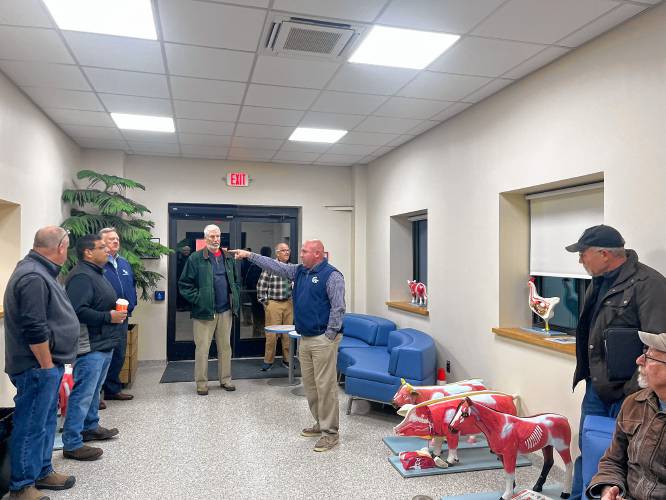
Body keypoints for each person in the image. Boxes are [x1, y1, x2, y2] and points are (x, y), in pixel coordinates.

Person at [565, 225, 666, 498]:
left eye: (583, 253)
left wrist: (633, 391)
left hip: (630, 393)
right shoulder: (598, 282)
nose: (580, 260)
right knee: (589, 450)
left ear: (604, 254)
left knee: (625, 457)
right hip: (597, 389)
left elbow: (657, 344)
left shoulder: (650, 285)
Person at [231, 240, 345, 452]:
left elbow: (338, 308)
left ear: (318, 254)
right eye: (300, 251)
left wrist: (329, 335)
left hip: (323, 340)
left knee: (325, 387)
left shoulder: (332, 276)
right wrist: (249, 256)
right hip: (305, 338)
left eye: (304, 251)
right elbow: (275, 266)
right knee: (311, 385)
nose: (300, 254)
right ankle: (320, 423)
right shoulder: (300, 271)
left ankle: (331, 433)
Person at [3, 226, 79, 499]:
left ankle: (42, 471)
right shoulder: (33, 276)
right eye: (67, 248)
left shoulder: (41, 271)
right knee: (31, 424)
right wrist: (47, 366)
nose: (67, 252)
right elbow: (34, 328)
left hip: (46, 366)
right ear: (60, 247)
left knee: (45, 422)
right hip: (36, 367)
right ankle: (22, 486)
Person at [62, 235, 125, 461]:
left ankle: (90, 426)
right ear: (88, 252)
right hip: (90, 345)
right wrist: (109, 316)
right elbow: (77, 310)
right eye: (101, 247)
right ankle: (72, 442)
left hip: (103, 342)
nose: (107, 250)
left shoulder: (95, 273)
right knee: (83, 392)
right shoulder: (81, 277)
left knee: (94, 389)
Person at [586, 330, 666, 499]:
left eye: (650, 356)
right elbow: (612, 461)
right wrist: (609, 490)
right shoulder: (634, 403)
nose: (639, 360)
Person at [178, 224, 240, 396]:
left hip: (225, 311)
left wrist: (235, 297)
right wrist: (199, 300)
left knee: (225, 347)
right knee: (202, 348)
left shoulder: (227, 257)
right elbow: (184, 285)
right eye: (212, 237)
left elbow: (235, 281)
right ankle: (202, 383)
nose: (215, 240)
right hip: (204, 312)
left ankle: (226, 379)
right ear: (205, 239)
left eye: (218, 236)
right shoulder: (195, 258)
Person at [99, 227, 137, 402]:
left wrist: (132, 303)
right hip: (104, 318)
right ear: (101, 243)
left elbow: (131, 284)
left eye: (117, 239)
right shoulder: (98, 264)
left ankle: (113, 389)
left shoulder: (124, 263)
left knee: (119, 354)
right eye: (111, 239)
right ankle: (96, 396)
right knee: (101, 356)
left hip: (122, 317)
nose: (116, 242)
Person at [256, 242, 293, 371]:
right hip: (274, 303)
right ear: (277, 253)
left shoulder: (292, 268)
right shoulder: (270, 267)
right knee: (272, 335)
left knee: (288, 334)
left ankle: (287, 360)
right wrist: (266, 303)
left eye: (288, 250)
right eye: (283, 250)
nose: (286, 252)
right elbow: (261, 286)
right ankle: (268, 361)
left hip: (288, 304)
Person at [245, 246, 271, 336]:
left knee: (257, 320)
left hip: (256, 296)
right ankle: (263, 340)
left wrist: (252, 294)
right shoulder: (272, 265)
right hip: (268, 298)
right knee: (268, 322)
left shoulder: (254, 264)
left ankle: (256, 339)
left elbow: (247, 280)